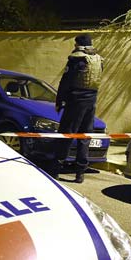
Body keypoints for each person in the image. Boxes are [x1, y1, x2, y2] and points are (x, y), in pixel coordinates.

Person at [50, 33, 105, 183]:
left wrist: (59, 101)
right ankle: (80, 173)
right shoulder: (97, 59)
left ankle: (55, 169)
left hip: (75, 101)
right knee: (84, 137)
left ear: (78, 44)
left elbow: (65, 81)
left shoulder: (77, 59)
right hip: (91, 102)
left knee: (66, 135)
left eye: (75, 44)